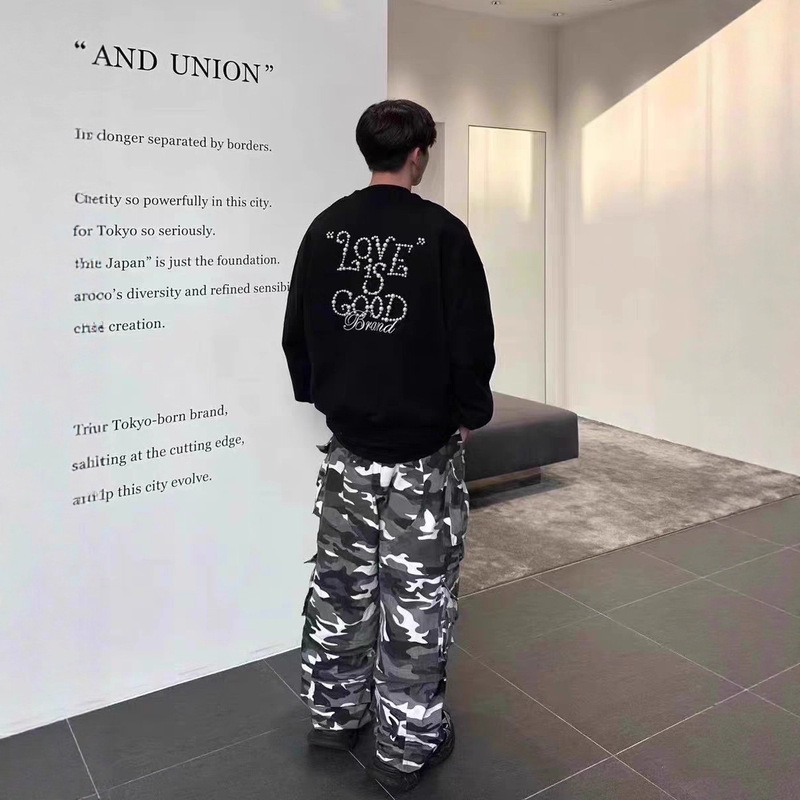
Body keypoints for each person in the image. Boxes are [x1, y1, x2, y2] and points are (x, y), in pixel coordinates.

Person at [282, 99, 495, 793]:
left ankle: (334, 714)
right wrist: (470, 411)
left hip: (347, 453)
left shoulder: (325, 228)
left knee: (340, 585)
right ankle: (405, 747)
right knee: (417, 602)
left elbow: (297, 331)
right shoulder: (443, 234)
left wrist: (324, 392)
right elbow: (471, 339)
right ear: (418, 154)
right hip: (421, 461)